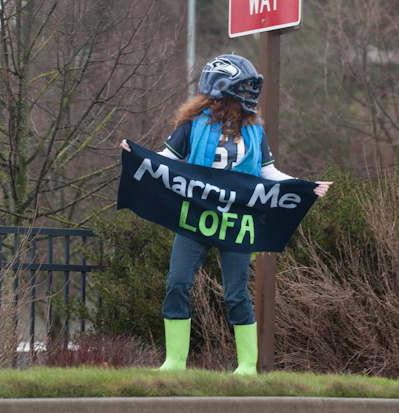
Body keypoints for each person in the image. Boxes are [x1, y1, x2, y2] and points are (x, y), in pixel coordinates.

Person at [121, 54, 332, 375]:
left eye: (251, 88)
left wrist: (305, 187)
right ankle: (174, 363)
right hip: (195, 216)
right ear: (221, 87)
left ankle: (246, 366)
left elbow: (268, 173)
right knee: (177, 283)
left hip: (237, 222)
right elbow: (165, 160)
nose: (250, 94)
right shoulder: (192, 125)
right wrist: (136, 154)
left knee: (236, 293)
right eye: (244, 87)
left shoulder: (255, 130)